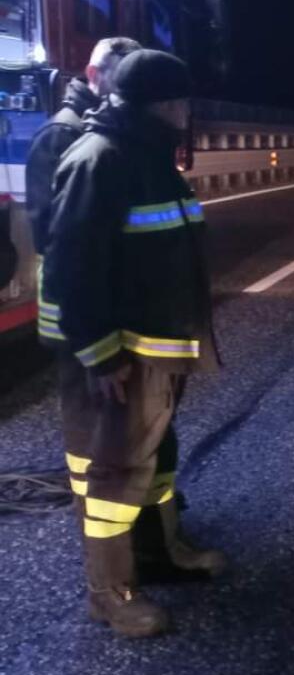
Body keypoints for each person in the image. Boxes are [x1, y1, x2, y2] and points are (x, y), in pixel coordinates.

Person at [42, 50, 225, 639]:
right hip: (126, 356)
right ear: (164, 104)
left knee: (155, 465)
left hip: (160, 349)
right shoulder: (102, 158)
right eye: (183, 100)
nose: (188, 111)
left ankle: (163, 553)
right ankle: (111, 594)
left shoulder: (148, 155)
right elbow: (72, 267)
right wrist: (102, 355)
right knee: (116, 479)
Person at [26, 38, 141, 285]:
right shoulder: (60, 133)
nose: (128, 91)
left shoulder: (115, 129)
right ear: (93, 73)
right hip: (71, 289)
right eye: (121, 80)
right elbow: (49, 231)